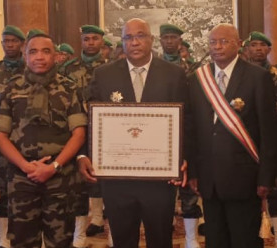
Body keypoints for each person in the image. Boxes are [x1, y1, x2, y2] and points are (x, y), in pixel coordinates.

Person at [79, 18, 189, 248]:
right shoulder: (104, 75)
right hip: (118, 178)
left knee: (160, 239)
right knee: (122, 239)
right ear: (122, 42)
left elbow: (186, 120)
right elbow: (90, 120)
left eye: (140, 36)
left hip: (160, 179)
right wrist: (83, 155)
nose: (135, 42)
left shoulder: (174, 74)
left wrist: (184, 157)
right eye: (129, 37)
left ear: (151, 40)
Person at [186, 23, 277, 248]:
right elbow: (192, 130)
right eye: (213, 42)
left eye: (224, 41)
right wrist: (195, 173)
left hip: (245, 178)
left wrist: (266, 178)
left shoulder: (258, 77)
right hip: (209, 179)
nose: (217, 47)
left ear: (239, 44)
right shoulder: (198, 78)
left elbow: (269, 132)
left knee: (244, 239)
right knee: (216, 239)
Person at [0, 32, 87, 248]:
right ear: (25, 56)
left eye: (46, 51)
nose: (39, 57)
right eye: (33, 51)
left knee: (60, 241)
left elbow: (79, 133)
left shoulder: (69, 88)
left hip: (60, 177)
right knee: (23, 241)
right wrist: (26, 166)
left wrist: (53, 166)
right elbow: (0, 136)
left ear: (55, 56)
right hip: (21, 177)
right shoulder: (11, 88)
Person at [58, 24, 112, 248]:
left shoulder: (113, 68)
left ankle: (111, 231)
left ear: (102, 41)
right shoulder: (68, 69)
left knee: (110, 182)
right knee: (78, 185)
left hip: (108, 131)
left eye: (95, 39)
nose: (90, 43)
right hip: (77, 132)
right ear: (81, 41)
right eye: (86, 39)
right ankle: (79, 235)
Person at [241, 30, 277, 248]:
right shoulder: (240, 75)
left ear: (269, 49)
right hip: (247, 138)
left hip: (273, 136)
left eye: (263, 45)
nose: (258, 49)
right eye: (254, 45)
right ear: (246, 49)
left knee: (273, 187)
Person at [0, 24, 27, 248]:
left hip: (29, 140)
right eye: (5, 41)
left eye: (13, 41)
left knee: (29, 189)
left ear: (22, 44)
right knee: (4, 188)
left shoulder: (31, 68)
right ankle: (3, 238)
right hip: (3, 140)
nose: (9, 45)